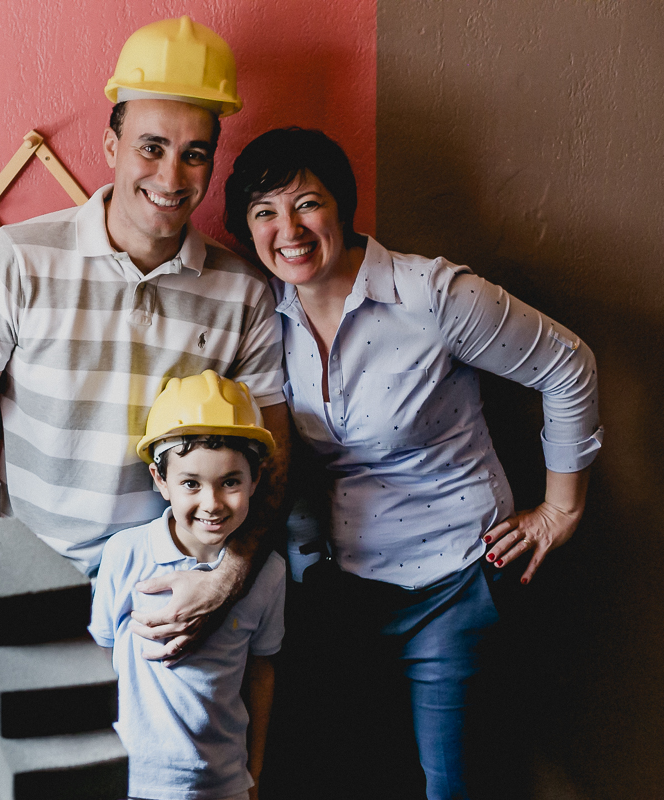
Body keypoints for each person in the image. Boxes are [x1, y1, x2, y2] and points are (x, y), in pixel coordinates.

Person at [222, 127, 603, 800]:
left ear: (342, 205)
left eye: (306, 203)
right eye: (264, 212)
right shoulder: (263, 315)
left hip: (457, 579)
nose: (289, 229)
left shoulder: (430, 294)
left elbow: (566, 365)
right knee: (359, 775)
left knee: (452, 784)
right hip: (344, 590)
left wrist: (561, 508)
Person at [0, 17, 290, 660]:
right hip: (26, 579)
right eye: (151, 147)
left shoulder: (245, 293)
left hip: (170, 597)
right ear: (110, 145)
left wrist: (226, 580)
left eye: (194, 153)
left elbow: (274, 461)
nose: (172, 176)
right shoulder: (18, 259)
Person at [89, 370, 287, 800]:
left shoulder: (268, 573)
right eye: (191, 484)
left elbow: (261, 673)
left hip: (224, 784)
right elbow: (99, 659)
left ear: (256, 479)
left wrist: (252, 777)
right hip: (129, 782)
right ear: (161, 481)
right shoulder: (126, 554)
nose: (212, 503)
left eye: (231, 482)